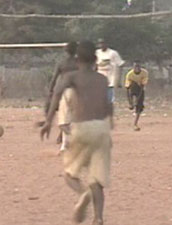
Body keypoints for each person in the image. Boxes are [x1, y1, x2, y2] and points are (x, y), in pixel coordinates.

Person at [41, 41, 113, 225]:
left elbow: (56, 93)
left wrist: (48, 121)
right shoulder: (103, 79)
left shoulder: (72, 76)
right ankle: (99, 218)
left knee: (70, 174)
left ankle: (83, 195)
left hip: (82, 128)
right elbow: (108, 105)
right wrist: (110, 122)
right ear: (95, 60)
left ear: (77, 59)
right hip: (102, 128)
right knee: (96, 179)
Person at [38, 41, 77, 151]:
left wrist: (50, 91)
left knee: (63, 122)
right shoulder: (79, 62)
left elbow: (54, 78)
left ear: (65, 51)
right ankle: (64, 145)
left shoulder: (62, 63)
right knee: (72, 119)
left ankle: (76, 140)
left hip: (66, 91)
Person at [96, 38, 125, 103]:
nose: (102, 45)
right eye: (100, 43)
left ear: (107, 44)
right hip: (99, 79)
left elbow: (120, 64)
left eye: (103, 43)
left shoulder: (113, 53)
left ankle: (108, 111)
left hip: (110, 79)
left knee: (109, 99)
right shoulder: (97, 53)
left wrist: (119, 80)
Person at [125, 61, 148, 131]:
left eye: (138, 66)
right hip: (132, 87)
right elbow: (127, 89)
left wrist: (137, 100)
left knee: (139, 107)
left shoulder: (144, 73)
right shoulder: (129, 74)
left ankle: (135, 123)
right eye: (135, 67)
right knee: (133, 85)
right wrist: (130, 102)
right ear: (133, 67)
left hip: (140, 89)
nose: (137, 68)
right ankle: (132, 103)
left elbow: (142, 87)